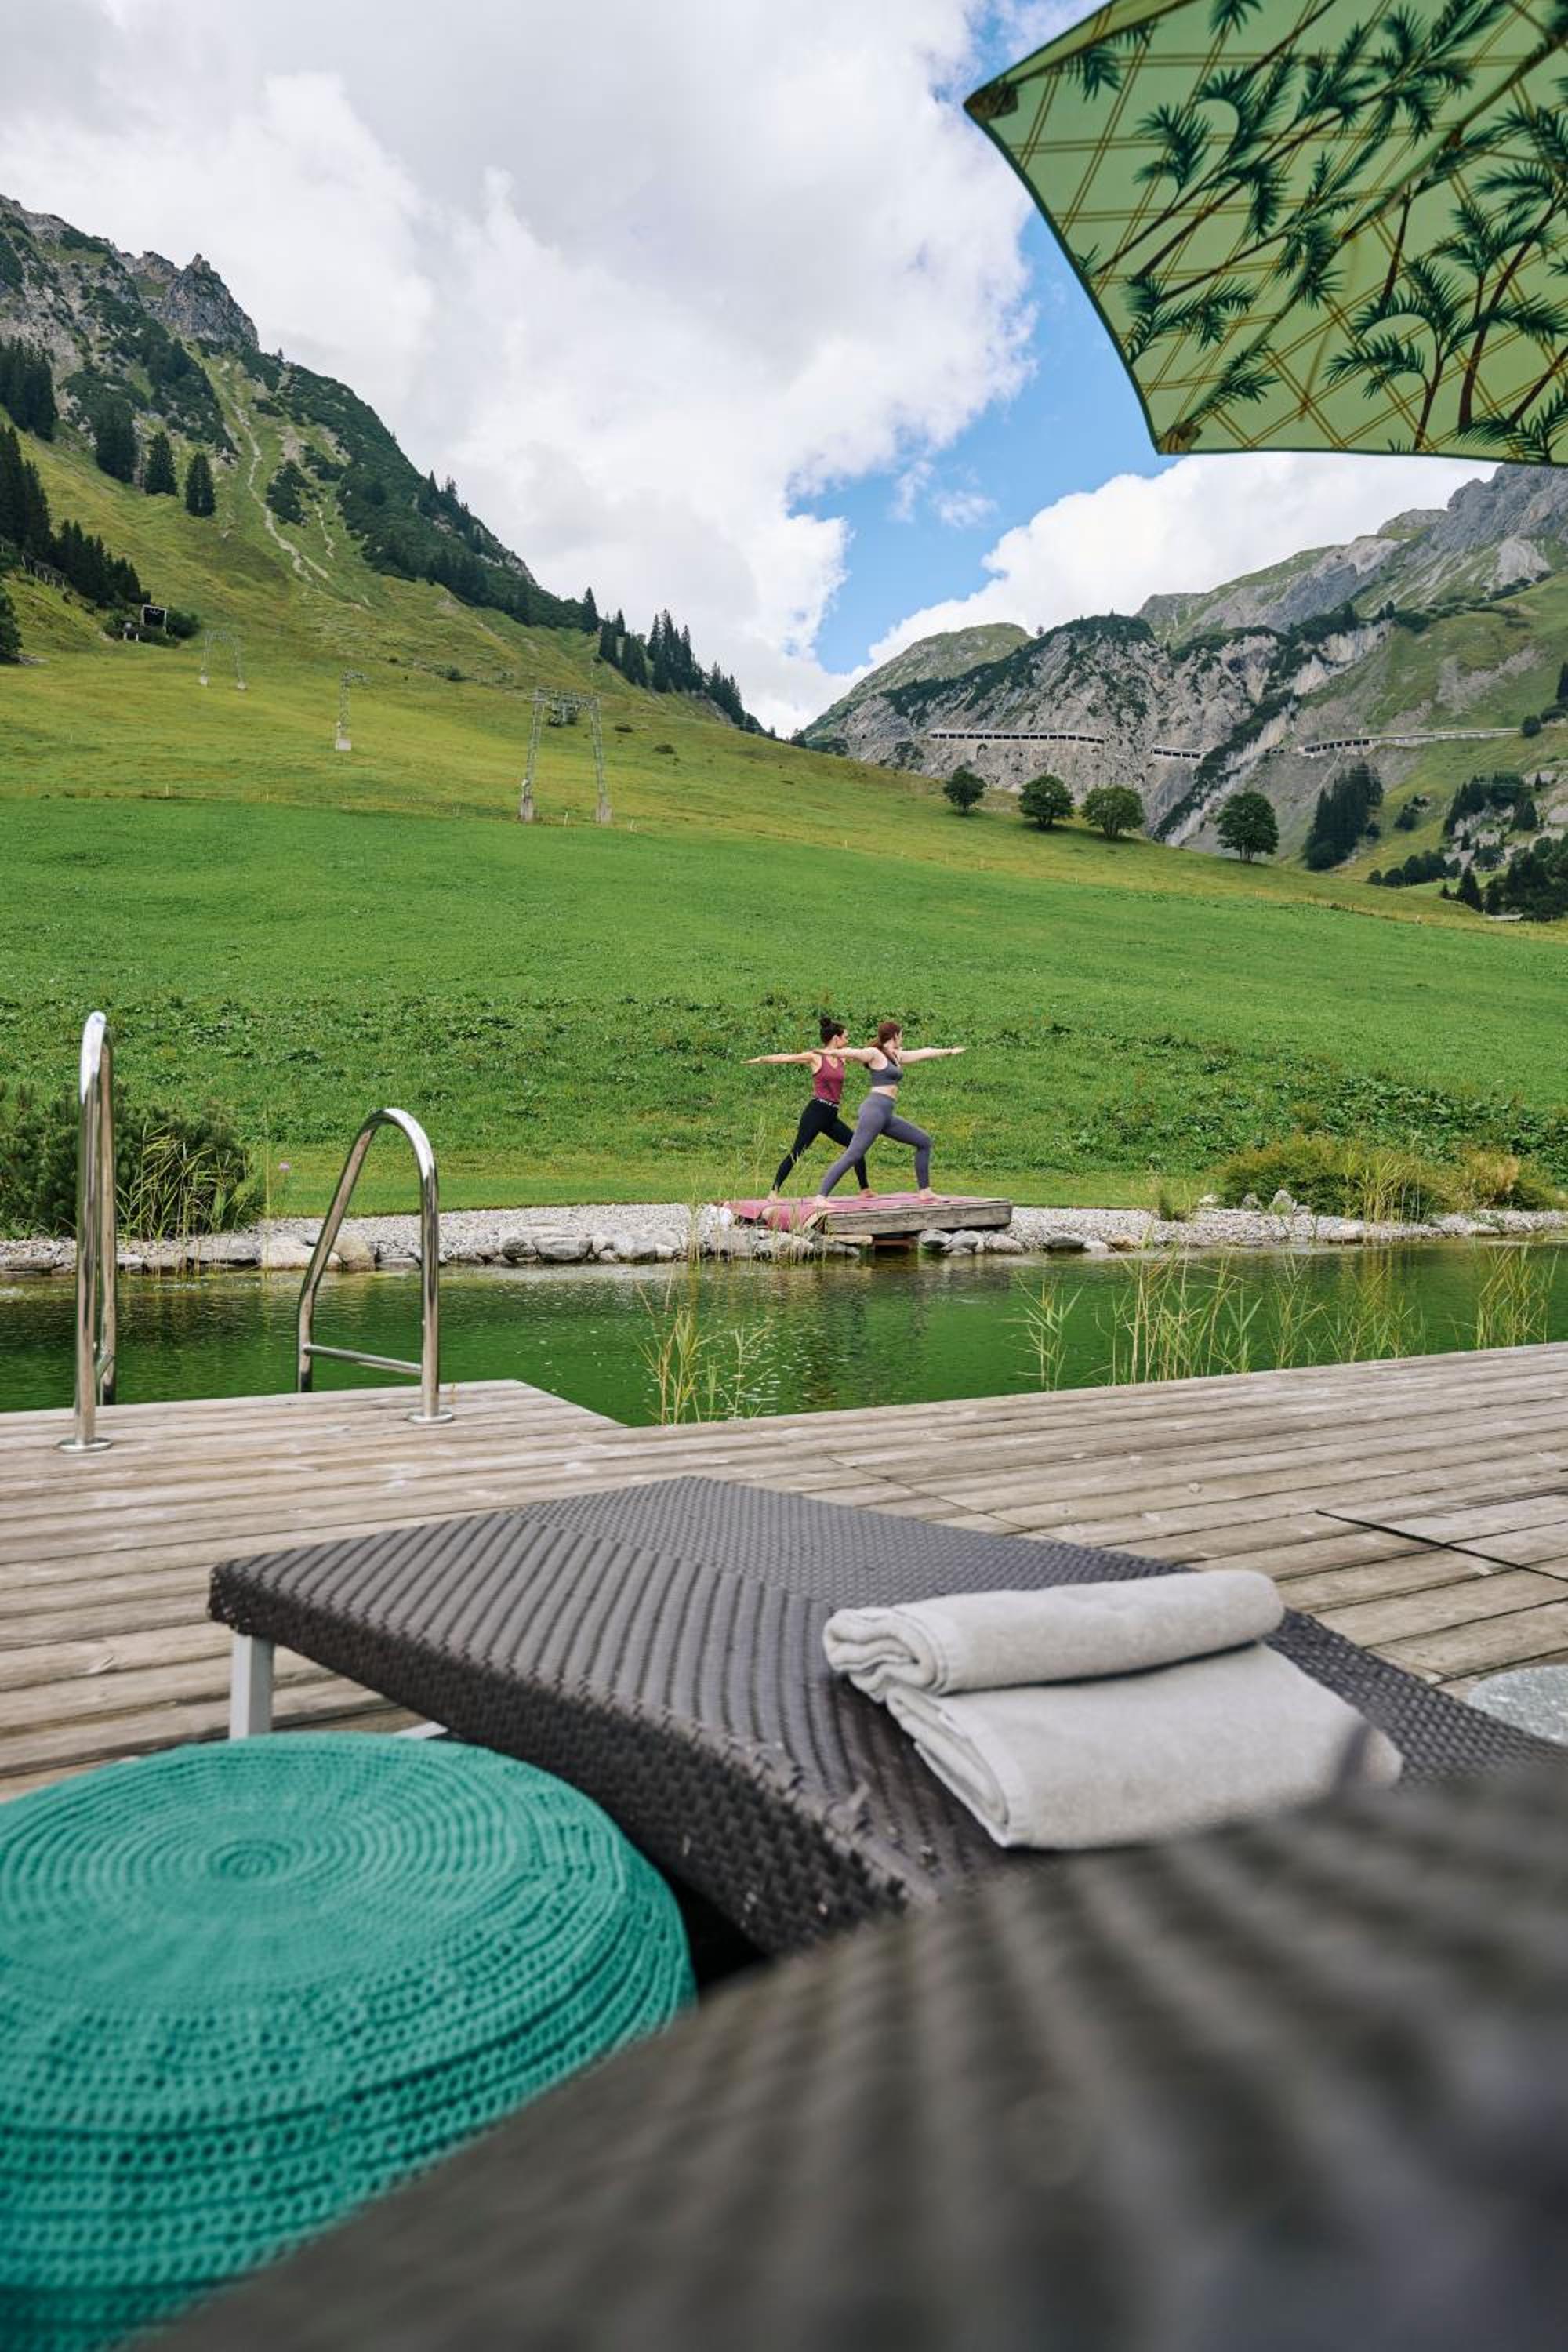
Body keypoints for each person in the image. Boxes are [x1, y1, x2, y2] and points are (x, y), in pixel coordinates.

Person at [805, 1022, 964, 1218]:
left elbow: (925, 1052)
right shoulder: (875, 1054)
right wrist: (830, 1053)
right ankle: (821, 1197)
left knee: (923, 1141)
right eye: (901, 1035)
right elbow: (855, 1053)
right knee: (854, 1154)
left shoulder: (896, 1056)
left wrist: (949, 1051)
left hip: (886, 1114)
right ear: (895, 1035)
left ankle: (925, 1191)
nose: (902, 1038)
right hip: (874, 1111)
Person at [746, 1017, 873, 1198]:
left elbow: (866, 1054)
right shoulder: (816, 1057)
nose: (847, 1040)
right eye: (845, 1037)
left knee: (857, 1146)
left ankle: (865, 1190)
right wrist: (761, 1059)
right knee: (797, 1151)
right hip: (816, 1112)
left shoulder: (842, 1057)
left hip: (831, 1115)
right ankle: (774, 1191)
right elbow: (786, 1058)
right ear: (836, 1038)